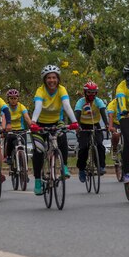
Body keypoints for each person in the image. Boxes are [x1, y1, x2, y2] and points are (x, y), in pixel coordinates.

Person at [29, 65, 79, 195]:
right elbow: (38, 107)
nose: (52, 80)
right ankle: (38, 181)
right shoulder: (40, 91)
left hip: (57, 121)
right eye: (49, 78)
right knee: (39, 151)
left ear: (58, 79)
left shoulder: (62, 89)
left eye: (54, 78)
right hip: (40, 123)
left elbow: (67, 106)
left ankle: (65, 167)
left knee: (62, 137)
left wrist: (74, 122)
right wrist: (33, 122)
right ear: (45, 80)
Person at [74, 80, 108, 183]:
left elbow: (103, 112)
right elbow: (77, 115)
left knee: (100, 145)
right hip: (83, 126)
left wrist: (106, 124)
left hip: (95, 125)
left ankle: (101, 166)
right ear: (85, 92)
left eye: (93, 92)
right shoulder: (80, 102)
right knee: (83, 148)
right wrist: (77, 126)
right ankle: (81, 169)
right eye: (89, 92)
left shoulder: (99, 101)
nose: (91, 94)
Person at [2, 88, 32, 166]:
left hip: (21, 130)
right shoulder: (6, 108)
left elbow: (27, 118)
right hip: (10, 130)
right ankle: (8, 156)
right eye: (11, 98)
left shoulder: (22, 107)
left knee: (23, 147)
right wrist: (4, 129)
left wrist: (32, 127)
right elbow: (4, 119)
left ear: (18, 99)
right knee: (9, 141)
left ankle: (24, 169)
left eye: (15, 98)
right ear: (8, 99)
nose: (13, 100)